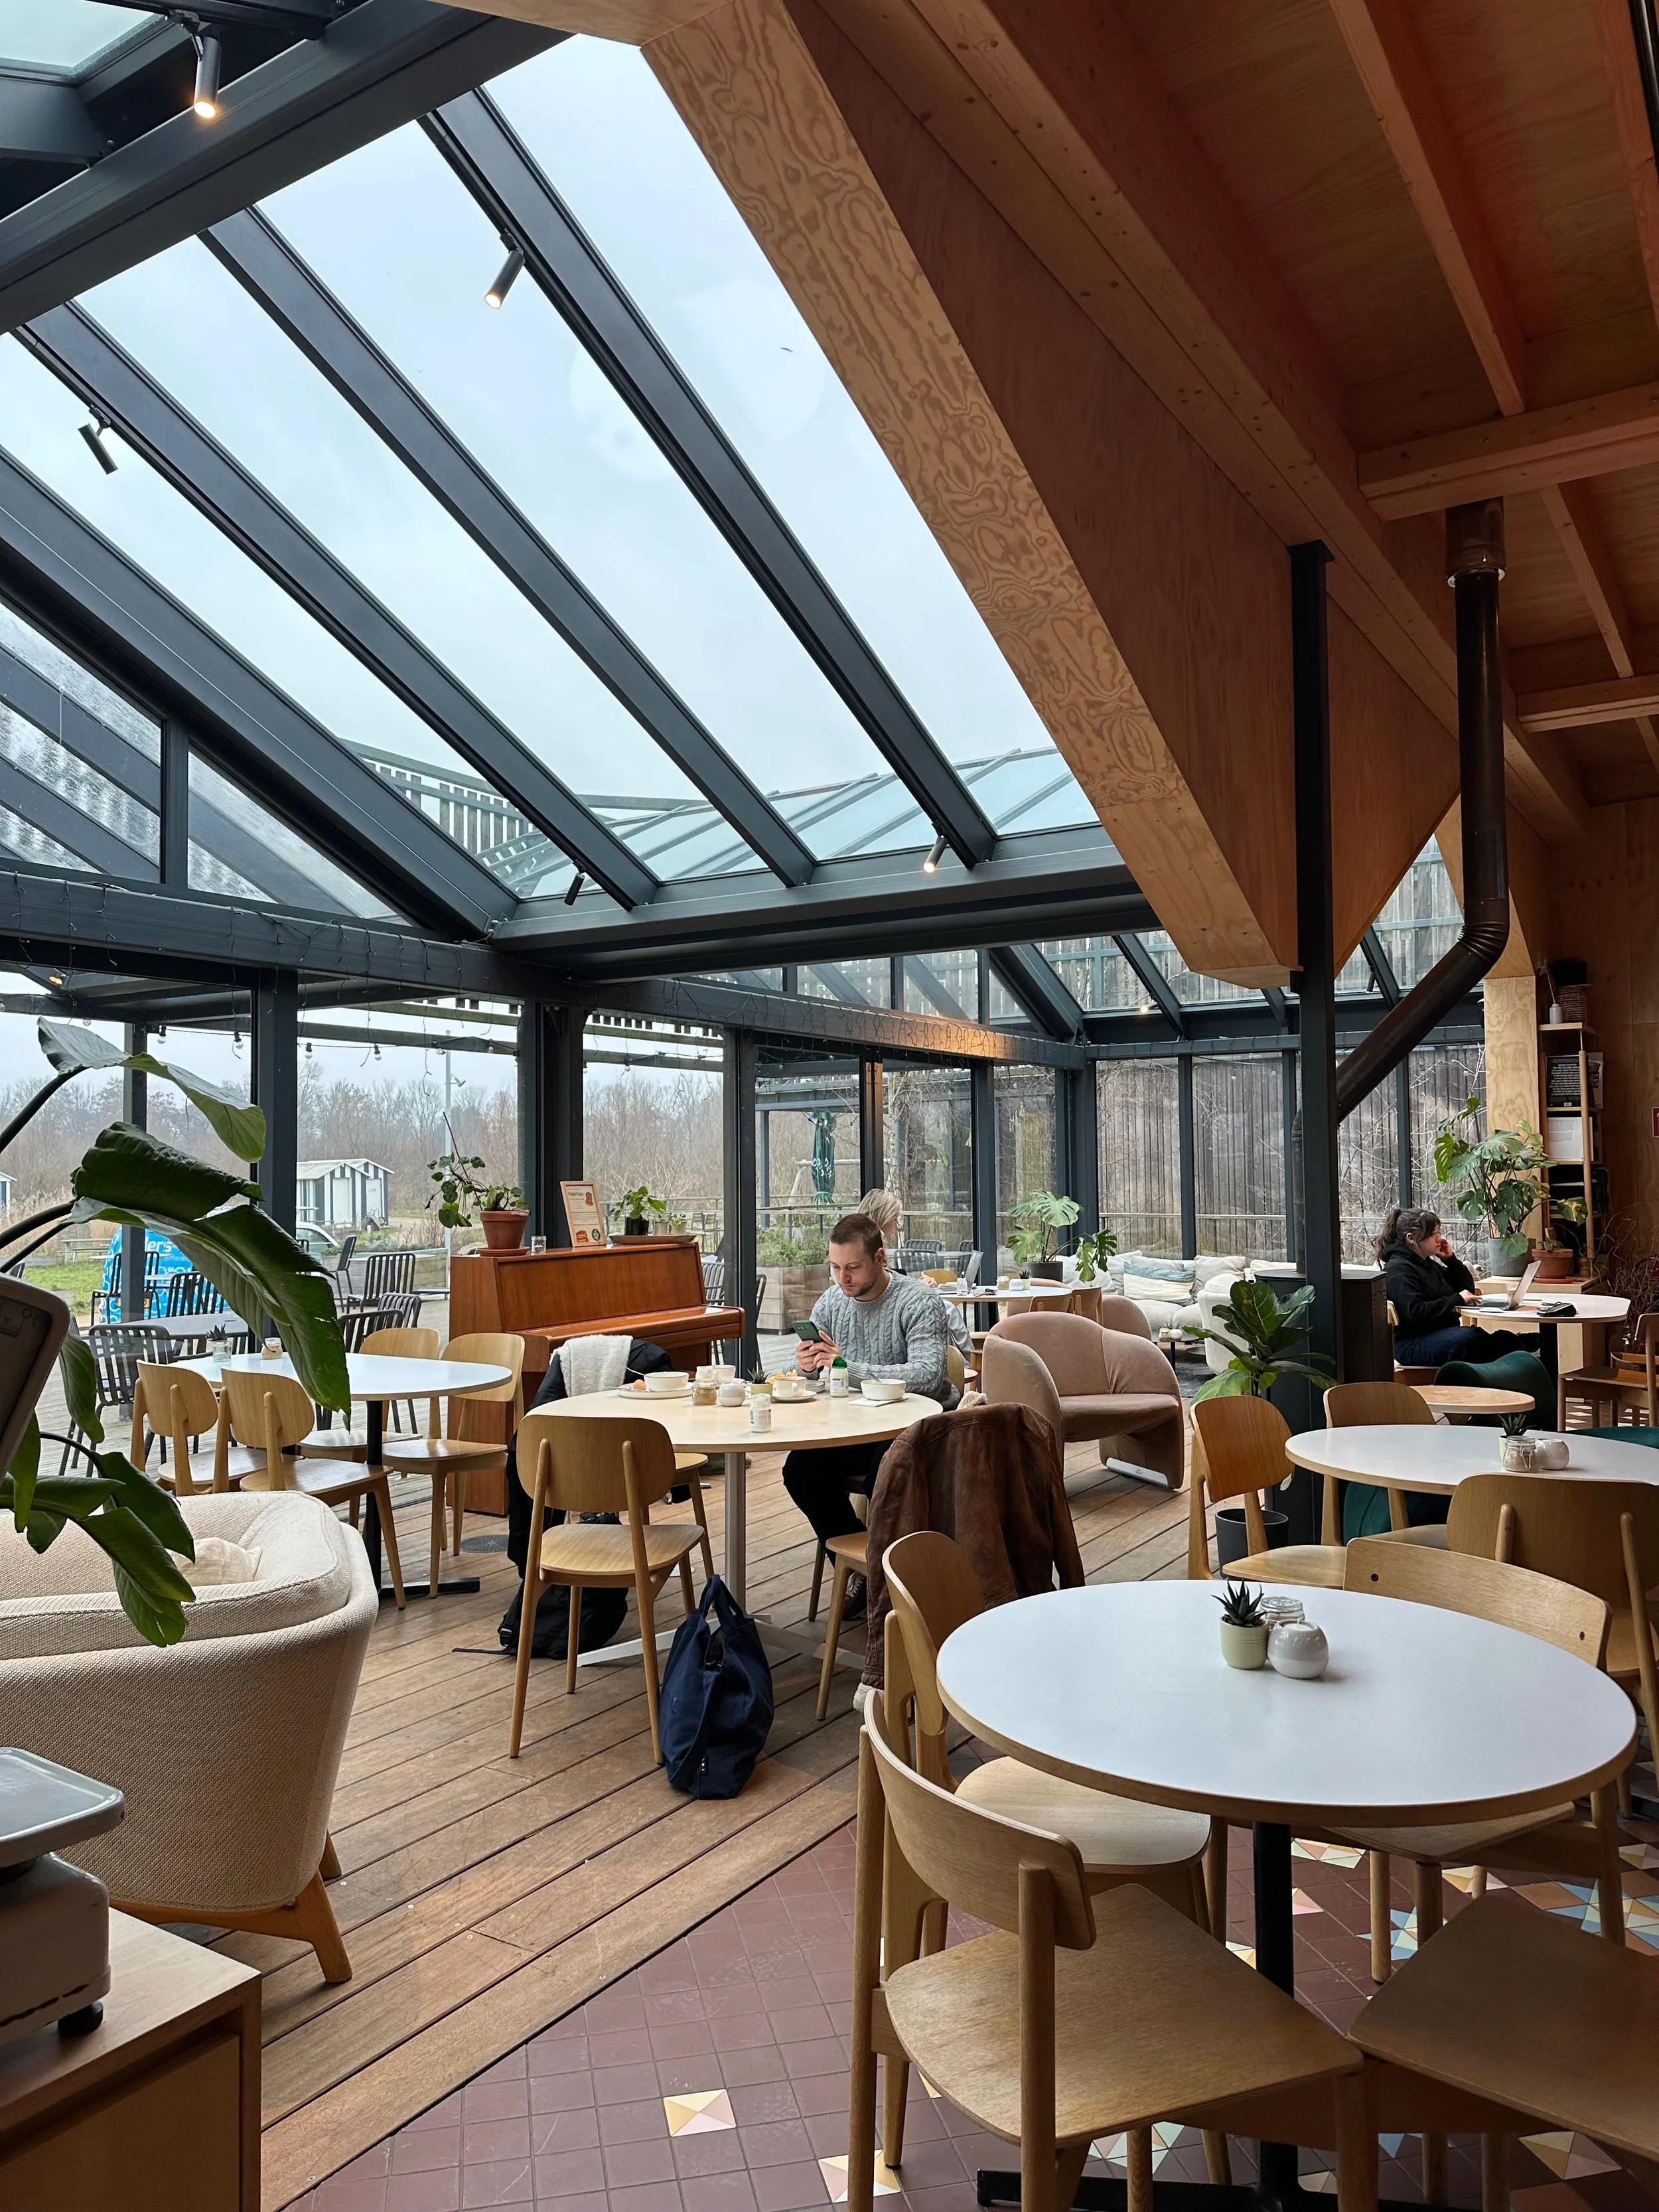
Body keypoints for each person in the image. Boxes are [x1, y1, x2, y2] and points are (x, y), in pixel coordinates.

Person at [784, 1211, 958, 1615]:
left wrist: (848, 1367)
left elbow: (930, 1376)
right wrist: (808, 1366)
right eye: (835, 1268)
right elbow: (814, 1379)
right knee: (800, 1471)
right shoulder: (831, 1301)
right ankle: (861, 1571)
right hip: (857, 1428)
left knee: (888, 1473)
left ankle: (897, 1591)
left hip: (918, 1430)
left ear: (880, 1258)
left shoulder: (920, 1301)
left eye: (853, 1268)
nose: (843, 1278)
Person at [1377, 1205, 1532, 1368]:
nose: (1440, 1239)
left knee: (1479, 1338)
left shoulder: (1426, 1264)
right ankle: (1528, 1348)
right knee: (1471, 1339)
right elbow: (1416, 1312)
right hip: (1413, 1343)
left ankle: (1527, 1346)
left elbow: (1466, 1288)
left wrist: (1450, 1260)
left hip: (1438, 1334)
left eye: (1439, 1232)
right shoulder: (1399, 1270)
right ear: (1411, 1238)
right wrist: (1456, 1299)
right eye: (1433, 1234)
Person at [856, 1186, 975, 1366]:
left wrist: (915, 1286)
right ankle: (968, 1365)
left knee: (946, 1309)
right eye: (895, 1218)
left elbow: (888, 1279)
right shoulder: (871, 1244)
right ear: (884, 1216)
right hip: (885, 1307)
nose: (897, 1226)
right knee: (947, 1309)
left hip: (889, 1302)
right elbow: (882, 1285)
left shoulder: (858, 1240)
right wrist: (916, 1289)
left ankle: (964, 1364)